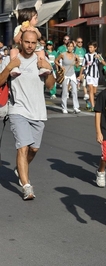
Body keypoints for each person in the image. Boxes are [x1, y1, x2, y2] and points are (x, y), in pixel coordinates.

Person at [0, 30, 55, 200]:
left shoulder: (41, 60)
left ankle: (19, 168)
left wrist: (49, 69)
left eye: (33, 43)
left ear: (37, 43)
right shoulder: (11, 60)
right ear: (20, 42)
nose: (30, 46)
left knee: (34, 148)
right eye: (27, 42)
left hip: (38, 111)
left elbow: (50, 85)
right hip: (18, 109)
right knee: (22, 147)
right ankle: (26, 186)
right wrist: (9, 67)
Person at [10, 7, 50, 77]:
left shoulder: (35, 28)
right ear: (27, 19)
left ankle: (42, 67)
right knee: (13, 51)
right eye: (35, 18)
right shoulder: (19, 28)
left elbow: (39, 36)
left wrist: (35, 31)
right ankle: (14, 67)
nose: (37, 20)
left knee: (41, 52)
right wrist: (21, 31)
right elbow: (16, 40)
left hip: (35, 49)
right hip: (20, 49)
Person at [55, 41, 81, 114]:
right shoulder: (63, 54)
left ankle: (76, 107)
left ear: (73, 47)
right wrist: (60, 66)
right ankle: (64, 107)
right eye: (69, 46)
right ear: (67, 47)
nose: (70, 48)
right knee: (65, 91)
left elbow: (76, 66)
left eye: (72, 46)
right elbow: (56, 61)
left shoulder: (75, 55)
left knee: (74, 91)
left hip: (72, 74)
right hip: (65, 74)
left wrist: (78, 60)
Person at [79, 41, 106, 110]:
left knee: (94, 92)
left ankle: (89, 101)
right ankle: (93, 106)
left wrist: (99, 58)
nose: (90, 49)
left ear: (95, 48)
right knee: (90, 89)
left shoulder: (98, 55)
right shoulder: (86, 55)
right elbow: (83, 65)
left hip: (96, 75)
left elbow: (104, 63)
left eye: (91, 47)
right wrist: (80, 75)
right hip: (88, 74)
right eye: (89, 47)